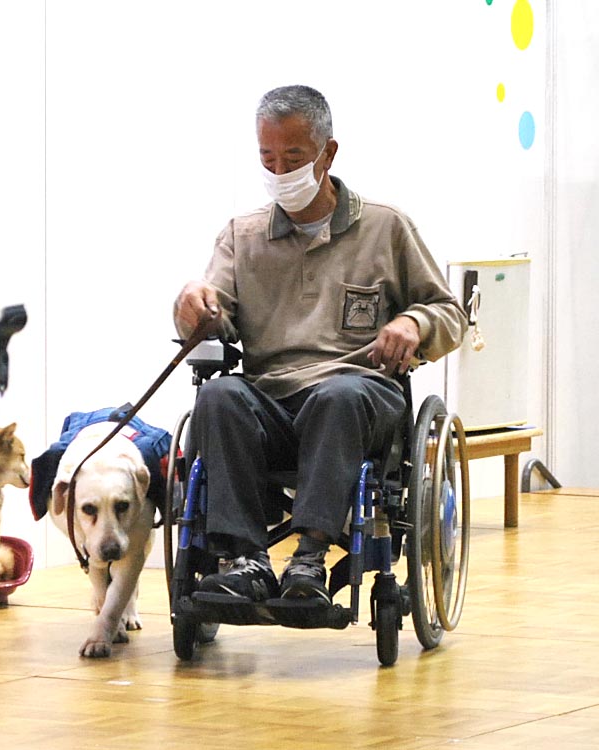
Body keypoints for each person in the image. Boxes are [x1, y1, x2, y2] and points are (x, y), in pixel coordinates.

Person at [172, 85, 467, 605]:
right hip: (273, 400)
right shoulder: (242, 236)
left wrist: (414, 323)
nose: (279, 171)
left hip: (359, 396)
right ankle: (245, 560)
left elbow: (449, 312)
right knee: (218, 398)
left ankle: (309, 557)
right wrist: (192, 304)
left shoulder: (385, 227)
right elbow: (212, 308)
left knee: (338, 396)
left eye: (294, 158)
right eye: (268, 157)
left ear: (327, 154)